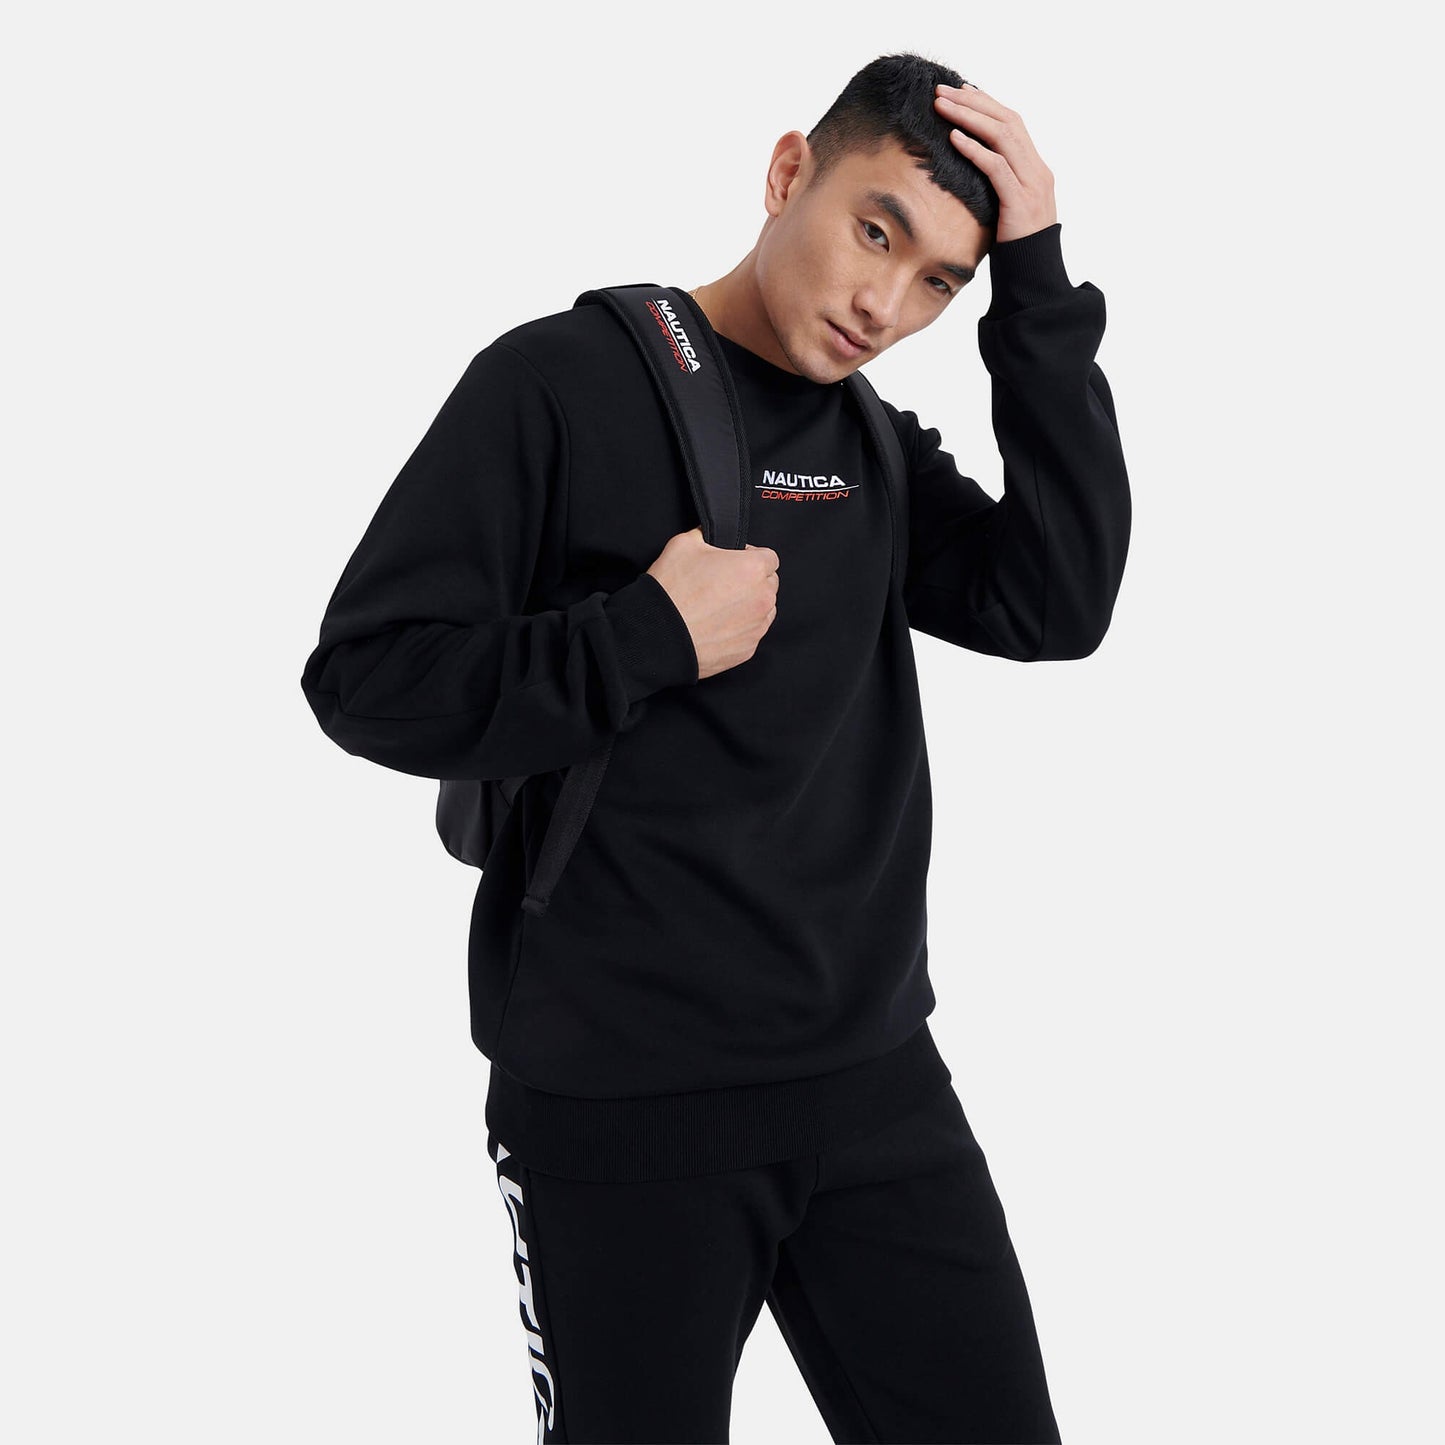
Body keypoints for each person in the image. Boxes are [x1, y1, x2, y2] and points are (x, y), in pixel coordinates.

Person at [300, 48, 1130, 1445]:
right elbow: (365, 677)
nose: (884, 304)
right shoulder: (556, 385)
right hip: (621, 1108)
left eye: (940, 281)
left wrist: (1036, 288)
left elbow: (1054, 602)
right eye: (876, 231)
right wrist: (643, 637)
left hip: (873, 1085)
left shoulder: (865, 438)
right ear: (788, 171)